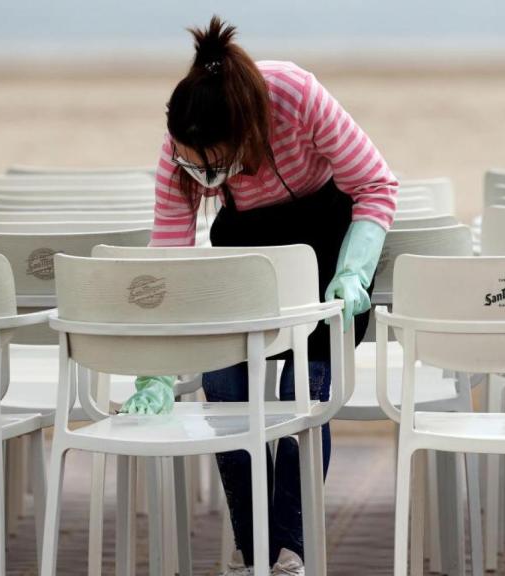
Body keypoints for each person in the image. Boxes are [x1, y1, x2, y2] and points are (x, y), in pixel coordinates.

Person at [121, 15, 398, 576]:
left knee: (304, 400)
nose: (200, 179)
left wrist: (353, 271)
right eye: (189, 167)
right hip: (242, 251)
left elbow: (376, 184)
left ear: (247, 131)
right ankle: (257, 556)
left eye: (214, 168)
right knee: (225, 399)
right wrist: (152, 368)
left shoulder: (295, 95)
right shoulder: (182, 146)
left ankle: (291, 551)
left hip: (325, 244)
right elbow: (167, 256)